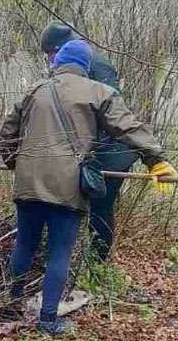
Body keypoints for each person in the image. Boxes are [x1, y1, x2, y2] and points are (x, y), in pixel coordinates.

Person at [0, 39, 178, 335]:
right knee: (59, 252)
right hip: (67, 188)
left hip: (28, 183)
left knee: (25, 245)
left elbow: (7, 130)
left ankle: (8, 306)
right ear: (85, 66)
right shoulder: (98, 91)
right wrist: (155, 160)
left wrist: (13, 163)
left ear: (57, 63)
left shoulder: (35, 91)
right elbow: (128, 127)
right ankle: (47, 321)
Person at [38, 21, 137, 264]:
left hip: (111, 152)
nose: (51, 60)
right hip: (90, 151)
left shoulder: (97, 65)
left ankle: (97, 263)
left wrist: (86, 152)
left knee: (101, 209)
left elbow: (110, 114)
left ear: (62, 48)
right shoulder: (75, 64)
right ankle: (74, 257)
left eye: (52, 53)